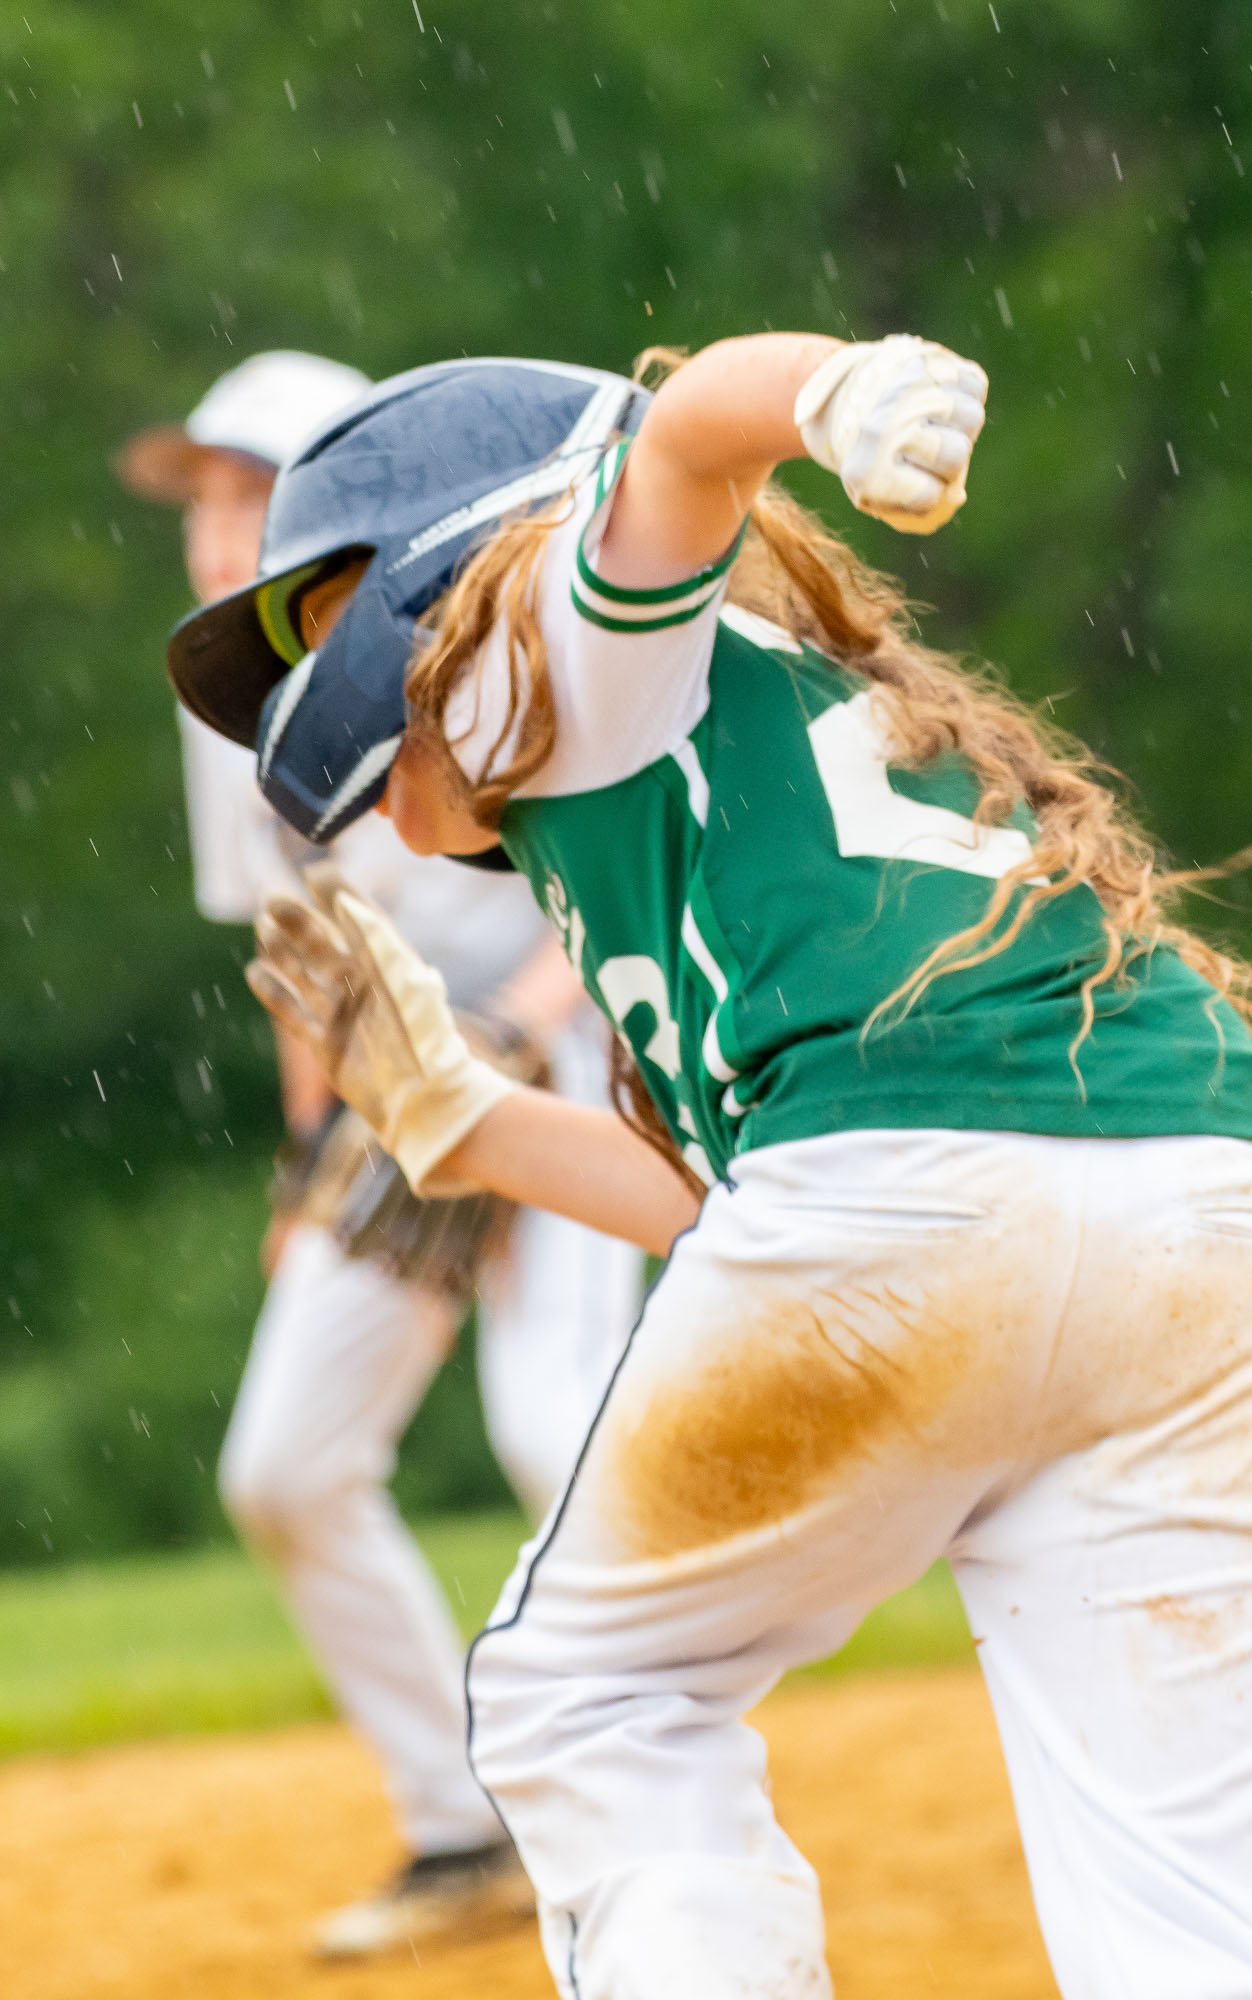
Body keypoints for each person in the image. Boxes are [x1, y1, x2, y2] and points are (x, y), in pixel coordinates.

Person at [175, 333, 1252, 2000]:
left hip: (912, 1192)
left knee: (591, 1696)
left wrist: (833, 395)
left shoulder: (554, 647)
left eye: (321, 615)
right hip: (1210, 1219)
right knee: (1181, 1910)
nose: (332, 736)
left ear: (447, 568)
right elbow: (766, 1216)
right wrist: (468, 1125)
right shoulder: (707, 756)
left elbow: (681, 435)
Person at [118, 350, 644, 1958]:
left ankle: (633, 1809)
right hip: (392, 1095)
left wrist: (525, 1037)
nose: (214, 525)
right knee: (284, 1468)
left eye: (243, 488)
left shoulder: (474, 630)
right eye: (199, 494)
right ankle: (461, 1826)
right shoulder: (225, 705)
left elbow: (618, 860)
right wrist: (315, 1157)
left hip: (556, 1048)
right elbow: (309, 947)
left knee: (561, 1436)